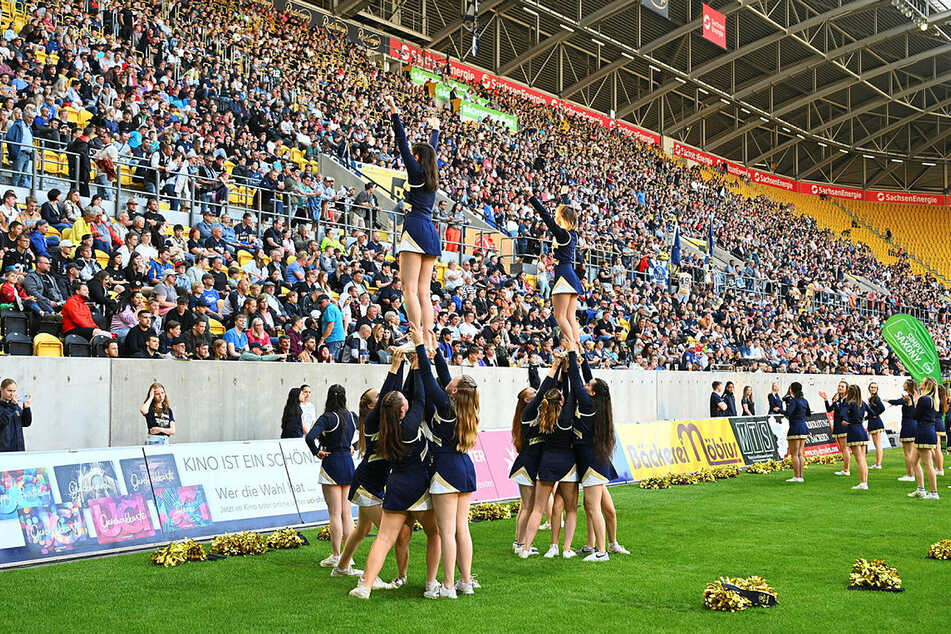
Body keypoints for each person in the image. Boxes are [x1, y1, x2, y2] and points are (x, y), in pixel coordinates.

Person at [350, 357, 441, 600]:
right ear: (403, 410)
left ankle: (365, 586)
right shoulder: (409, 426)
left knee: (384, 538)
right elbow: (421, 399)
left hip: (395, 486)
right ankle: (431, 585)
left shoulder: (377, 425)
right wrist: (419, 366)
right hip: (418, 487)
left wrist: (398, 367)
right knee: (435, 534)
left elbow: (388, 399)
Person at [411, 324, 479, 596]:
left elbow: (429, 379)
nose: (449, 379)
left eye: (454, 381)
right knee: (462, 529)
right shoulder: (466, 406)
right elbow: (443, 375)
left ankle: (449, 585)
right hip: (464, 467)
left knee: (447, 531)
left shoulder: (446, 406)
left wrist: (419, 345)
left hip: (446, 470)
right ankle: (465, 581)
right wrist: (436, 349)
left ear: (455, 391)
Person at [334, 352, 412, 588]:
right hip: (367, 486)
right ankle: (369, 577)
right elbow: (391, 394)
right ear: (372, 405)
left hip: (368, 484)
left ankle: (341, 567)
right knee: (391, 535)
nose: (381, 397)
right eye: (376, 397)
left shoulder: (383, 421)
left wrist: (404, 368)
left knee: (361, 530)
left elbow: (395, 395)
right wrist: (395, 367)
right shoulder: (373, 422)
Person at [382, 95, 440, 352]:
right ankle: (428, 337)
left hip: (415, 228)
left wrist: (395, 114)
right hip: (430, 231)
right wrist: (435, 130)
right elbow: (432, 152)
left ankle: (415, 336)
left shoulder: (416, 172)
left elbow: (402, 143)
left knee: (409, 289)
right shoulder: (431, 173)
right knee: (424, 291)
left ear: (417, 158)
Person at [519, 355, 580, 560]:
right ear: (561, 401)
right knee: (569, 509)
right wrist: (569, 367)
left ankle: (526, 548)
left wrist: (559, 368)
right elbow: (572, 391)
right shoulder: (565, 417)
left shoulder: (542, 417)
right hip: (567, 464)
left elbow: (551, 395)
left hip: (546, 463)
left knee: (538, 509)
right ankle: (565, 548)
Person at [566, 347, 615, 562]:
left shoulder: (587, 404)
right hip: (591, 461)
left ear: (592, 392)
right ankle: (591, 545)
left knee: (594, 507)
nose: (586, 386)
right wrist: (584, 361)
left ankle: (602, 551)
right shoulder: (596, 403)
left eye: (589, 386)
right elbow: (587, 379)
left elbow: (577, 383)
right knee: (590, 506)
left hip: (593, 463)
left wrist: (571, 355)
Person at [509, 363, 561, 555]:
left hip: (532, 464)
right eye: (532, 392)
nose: (536, 393)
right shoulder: (528, 412)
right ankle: (520, 543)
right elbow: (542, 392)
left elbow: (548, 393)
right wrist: (554, 366)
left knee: (528, 506)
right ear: (526, 398)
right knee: (527, 507)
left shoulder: (536, 411)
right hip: (526, 465)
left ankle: (519, 542)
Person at [305, 385, 357, 569]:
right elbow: (365, 432)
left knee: (334, 513)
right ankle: (348, 556)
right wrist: (354, 446)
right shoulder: (351, 415)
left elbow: (310, 437)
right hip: (348, 464)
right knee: (347, 513)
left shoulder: (327, 417)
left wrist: (316, 452)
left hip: (332, 462)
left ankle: (336, 555)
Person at [528, 191, 581, 350]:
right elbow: (568, 211)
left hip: (563, 275)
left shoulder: (563, 234)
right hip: (570, 274)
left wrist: (532, 198)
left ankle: (572, 345)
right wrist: (564, 197)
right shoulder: (574, 234)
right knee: (571, 316)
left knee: (559, 316)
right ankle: (578, 346)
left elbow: (547, 218)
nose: (556, 218)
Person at [908, 377, 943, 500]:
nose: (920, 383)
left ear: (926, 385)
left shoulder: (924, 399)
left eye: (922, 382)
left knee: (928, 464)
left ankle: (934, 492)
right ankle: (921, 489)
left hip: (924, 432)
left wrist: (914, 402)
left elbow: (915, 416)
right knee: (913, 461)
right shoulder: (932, 399)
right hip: (925, 431)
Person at [888, 379, 920, 483]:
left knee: (908, 452)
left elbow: (898, 401)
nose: (903, 385)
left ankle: (910, 474)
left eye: (905, 384)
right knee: (912, 452)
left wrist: (887, 400)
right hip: (914, 424)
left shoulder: (909, 397)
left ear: (909, 386)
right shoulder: (916, 397)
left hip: (908, 425)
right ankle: (913, 474)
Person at [779, 382, 810, 483]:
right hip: (803, 426)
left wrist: (779, 409)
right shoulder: (804, 401)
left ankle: (797, 476)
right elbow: (808, 413)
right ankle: (800, 475)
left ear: (792, 390)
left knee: (795, 454)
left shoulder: (794, 401)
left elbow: (788, 413)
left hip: (795, 427)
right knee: (800, 453)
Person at [819, 381, 850, 477]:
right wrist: (825, 399)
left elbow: (843, 412)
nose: (840, 388)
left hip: (843, 425)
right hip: (837, 425)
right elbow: (829, 410)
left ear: (846, 389)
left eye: (842, 386)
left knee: (845, 448)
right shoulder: (837, 398)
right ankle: (845, 468)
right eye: (839, 386)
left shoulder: (847, 399)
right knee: (842, 448)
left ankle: (846, 469)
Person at [843, 384, 869, 490]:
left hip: (853, 431)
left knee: (860, 459)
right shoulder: (862, 403)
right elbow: (873, 413)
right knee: (863, 458)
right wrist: (863, 419)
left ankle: (863, 483)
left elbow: (843, 416)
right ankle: (864, 482)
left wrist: (847, 421)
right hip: (862, 430)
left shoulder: (849, 403)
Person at [0, 378, 32, 452]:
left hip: (19, 450)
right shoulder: (12, 406)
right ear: (1, 389)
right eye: (9, 391)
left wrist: (26, 408)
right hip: (4, 451)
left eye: (14, 391)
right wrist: (12, 406)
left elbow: (26, 423)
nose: (12, 394)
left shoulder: (15, 407)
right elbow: (2, 422)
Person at [865, 382, 886, 470]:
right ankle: (877, 463)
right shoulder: (871, 398)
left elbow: (882, 408)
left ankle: (878, 464)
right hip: (872, 422)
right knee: (877, 444)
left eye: (875, 387)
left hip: (876, 422)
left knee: (878, 445)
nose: (873, 389)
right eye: (872, 387)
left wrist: (875, 414)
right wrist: (866, 418)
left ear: (877, 389)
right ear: (869, 388)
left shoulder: (876, 398)